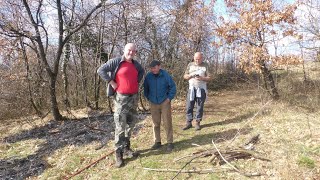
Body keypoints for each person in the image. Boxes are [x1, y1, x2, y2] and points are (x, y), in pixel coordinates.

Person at [97, 43, 145, 168]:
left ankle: (127, 148)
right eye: (129, 50)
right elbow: (100, 70)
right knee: (120, 125)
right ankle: (118, 154)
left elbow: (142, 72)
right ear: (124, 50)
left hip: (133, 98)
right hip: (121, 99)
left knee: (131, 124)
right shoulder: (116, 62)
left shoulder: (136, 65)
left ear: (135, 52)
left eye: (133, 51)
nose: (131, 52)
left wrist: (136, 82)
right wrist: (111, 81)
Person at [143, 60, 176, 151]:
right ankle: (157, 142)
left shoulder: (165, 75)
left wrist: (169, 98)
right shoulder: (148, 77)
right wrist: (149, 98)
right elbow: (145, 89)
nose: (153, 69)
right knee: (155, 123)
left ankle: (170, 142)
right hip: (153, 102)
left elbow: (173, 87)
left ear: (159, 67)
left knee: (167, 122)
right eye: (151, 68)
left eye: (154, 67)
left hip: (164, 102)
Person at [182, 52, 211, 131]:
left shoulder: (205, 65)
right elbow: (185, 76)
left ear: (202, 58)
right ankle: (188, 122)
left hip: (201, 89)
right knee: (189, 105)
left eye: (199, 59)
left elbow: (210, 78)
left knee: (199, 106)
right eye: (196, 59)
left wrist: (202, 78)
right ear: (194, 58)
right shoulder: (190, 65)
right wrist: (190, 76)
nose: (197, 61)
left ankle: (197, 122)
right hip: (191, 88)